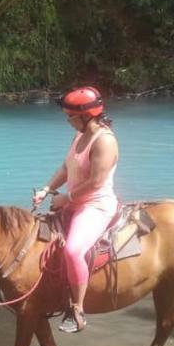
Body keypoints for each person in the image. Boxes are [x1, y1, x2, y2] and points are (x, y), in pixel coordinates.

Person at [32, 86, 119, 333]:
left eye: (71, 116)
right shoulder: (79, 136)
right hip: (72, 201)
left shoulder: (104, 141)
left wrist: (66, 199)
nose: (68, 121)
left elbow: (96, 182)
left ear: (87, 115)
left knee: (72, 251)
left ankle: (77, 309)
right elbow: (66, 167)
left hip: (95, 206)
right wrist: (46, 188)